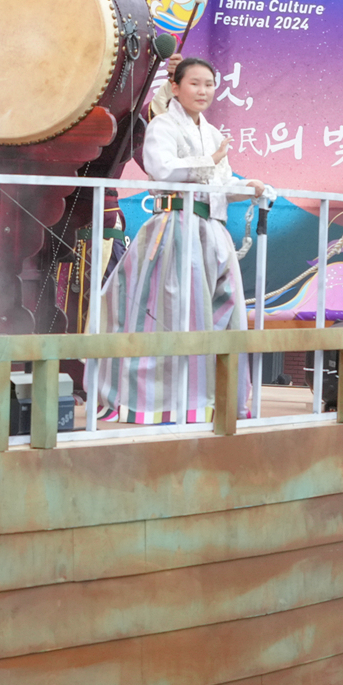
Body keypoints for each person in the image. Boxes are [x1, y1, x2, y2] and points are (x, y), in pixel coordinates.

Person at [99, 57, 270, 424]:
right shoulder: (161, 126)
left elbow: (218, 186)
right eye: (195, 83)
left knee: (225, 314)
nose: (203, 91)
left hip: (211, 232)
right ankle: (162, 404)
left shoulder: (211, 133)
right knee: (174, 316)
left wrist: (246, 188)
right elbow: (162, 170)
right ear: (174, 87)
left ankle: (219, 401)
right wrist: (210, 160)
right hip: (175, 229)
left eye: (209, 84)